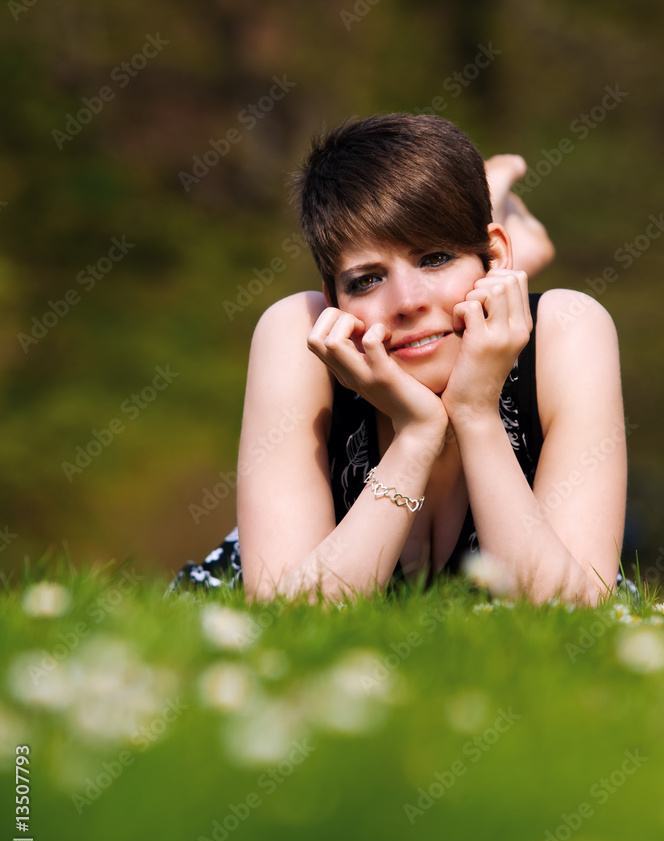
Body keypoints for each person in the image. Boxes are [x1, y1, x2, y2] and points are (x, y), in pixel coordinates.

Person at [173, 114, 626, 605]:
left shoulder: (569, 329)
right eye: (366, 280)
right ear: (333, 299)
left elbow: (571, 610)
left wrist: (476, 412)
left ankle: (497, 213)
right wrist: (416, 435)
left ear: (495, 256)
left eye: (435, 257)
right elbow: (287, 617)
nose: (407, 302)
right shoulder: (298, 332)